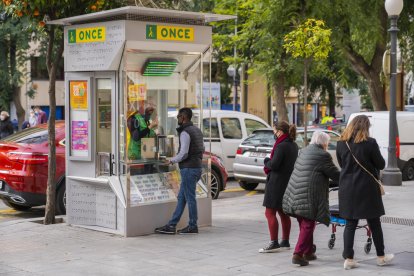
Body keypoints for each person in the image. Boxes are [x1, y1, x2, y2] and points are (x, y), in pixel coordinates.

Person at [336, 115, 393, 270]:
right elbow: (381, 164)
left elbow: (342, 164)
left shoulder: (341, 143)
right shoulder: (370, 143)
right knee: (374, 223)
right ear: (365, 127)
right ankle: (381, 257)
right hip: (367, 189)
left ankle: (349, 259)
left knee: (350, 224)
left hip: (347, 188)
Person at [283, 131, 340, 266]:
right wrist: (350, 176)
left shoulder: (303, 151)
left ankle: (308, 252)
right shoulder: (323, 155)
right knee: (308, 224)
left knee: (305, 223)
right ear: (324, 143)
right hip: (307, 195)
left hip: (294, 193)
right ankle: (298, 254)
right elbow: (335, 174)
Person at [155, 107, 204, 235]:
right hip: (197, 167)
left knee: (190, 198)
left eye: (178, 116)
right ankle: (172, 225)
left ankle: (193, 225)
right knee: (182, 197)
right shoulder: (197, 130)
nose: (177, 118)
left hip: (189, 169)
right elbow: (201, 148)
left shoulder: (185, 132)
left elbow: (184, 153)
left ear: (184, 117)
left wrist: (171, 160)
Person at [259, 121, 298, 253]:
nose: (274, 133)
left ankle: (274, 242)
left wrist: (266, 162)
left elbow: (274, 165)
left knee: (269, 212)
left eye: (274, 131)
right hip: (287, 183)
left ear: (280, 132)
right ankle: (285, 241)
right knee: (283, 212)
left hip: (276, 183)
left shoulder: (281, 146)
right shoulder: (293, 145)